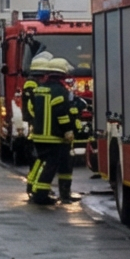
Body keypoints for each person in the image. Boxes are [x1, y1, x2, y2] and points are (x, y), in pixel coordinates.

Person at [21, 55, 77, 206]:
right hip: (54, 136)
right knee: (50, 166)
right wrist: (67, 130)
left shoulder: (40, 89)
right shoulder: (60, 91)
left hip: (38, 134)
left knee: (40, 162)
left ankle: (32, 186)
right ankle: (41, 195)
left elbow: (32, 109)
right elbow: (62, 114)